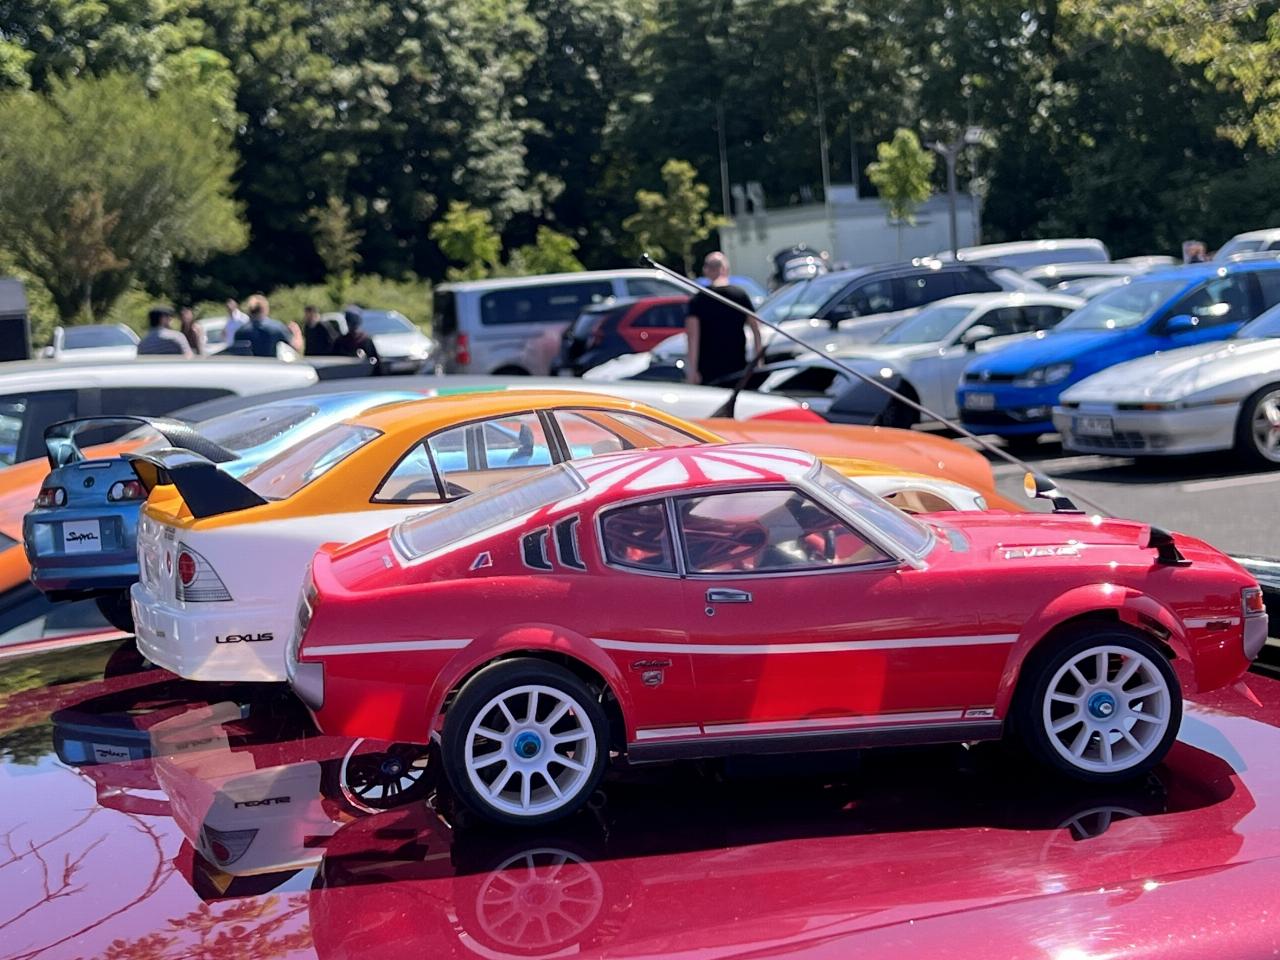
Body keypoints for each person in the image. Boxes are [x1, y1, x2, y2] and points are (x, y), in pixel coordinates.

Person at [685, 252, 761, 386]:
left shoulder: (698, 300)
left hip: (708, 371)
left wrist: (692, 370)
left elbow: (692, 337)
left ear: (706, 270)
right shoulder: (740, 296)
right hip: (737, 368)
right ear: (726, 269)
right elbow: (756, 330)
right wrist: (758, 362)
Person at [332, 307, 381, 373]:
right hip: (344, 374)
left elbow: (375, 363)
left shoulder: (365, 340)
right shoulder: (340, 341)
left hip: (361, 374)